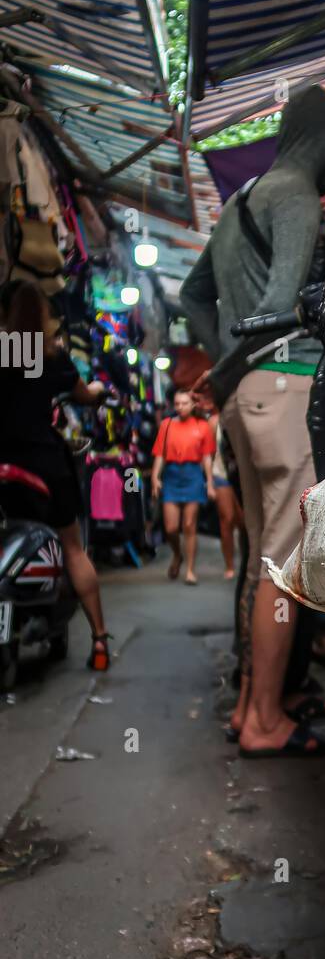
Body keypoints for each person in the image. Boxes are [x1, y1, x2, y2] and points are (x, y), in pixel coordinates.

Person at [181, 85, 325, 758]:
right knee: (284, 564)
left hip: (244, 393)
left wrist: (226, 350)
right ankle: (263, 722)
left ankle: (255, 705)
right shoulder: (297, 196)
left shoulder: (238, 202)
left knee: (262, 556)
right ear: (322, 142)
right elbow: (284, 303)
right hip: (285, 388)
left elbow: (194, 295)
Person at [0, 279, 111, 670]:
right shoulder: (52, 353)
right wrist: (98, 390)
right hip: (45, 462)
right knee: (73, 548)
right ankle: (99, 641)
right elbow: (84, 394)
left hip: (5, 462)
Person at [150, 390, 216, 585]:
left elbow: (206, 458)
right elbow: (159, 454)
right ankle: (177, 555)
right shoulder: (167, 424)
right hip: (171, 475)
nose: (180, 407)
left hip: (193, 475)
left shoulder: (202, 426)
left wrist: (210, 483)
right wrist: (155, 477)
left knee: (189, 525)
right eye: (177, 403)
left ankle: (190, 570)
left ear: (193, 404)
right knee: (170, 528)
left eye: (184, 403)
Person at [208, 409, 242, 579]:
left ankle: (247, 561)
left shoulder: (246, 415)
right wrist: (209, 482)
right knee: (226, 520)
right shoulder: (215, 422)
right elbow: (208, 454)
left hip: (245, 476)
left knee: (244, 523)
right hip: (221, 474)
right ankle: (229, 565)